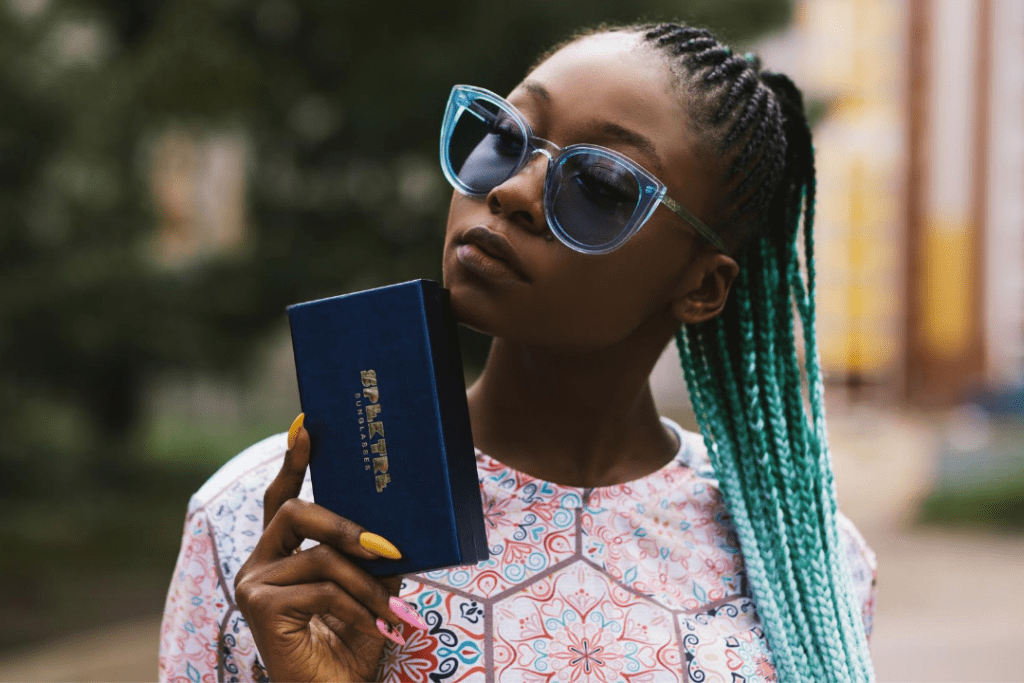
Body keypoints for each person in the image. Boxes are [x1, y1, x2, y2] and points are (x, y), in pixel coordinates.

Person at [159, 21, 878, 683]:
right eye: (504, 137)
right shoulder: (263, 527)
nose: (512, 191)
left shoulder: (805, 566)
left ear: (701, 286)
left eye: (598, 184)